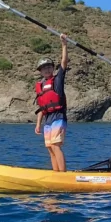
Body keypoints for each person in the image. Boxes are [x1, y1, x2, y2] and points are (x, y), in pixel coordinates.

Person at [35, 34, 68, 171]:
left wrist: (64, 45)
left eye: (49, 67)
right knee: (50, 147)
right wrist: (38, 124)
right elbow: (41, 108)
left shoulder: (57, 80)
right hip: (48, 119)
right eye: (44, 68)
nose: (47, 69)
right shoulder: (41, 86)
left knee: (56, 145)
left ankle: (63, 175)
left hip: (58, 117)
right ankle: (56, 173)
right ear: (41, 72)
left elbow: (64, 63)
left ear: (53, 68)